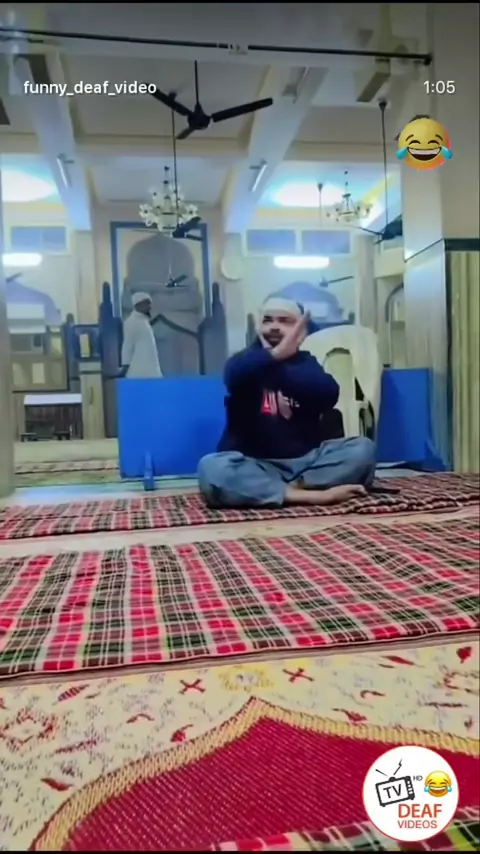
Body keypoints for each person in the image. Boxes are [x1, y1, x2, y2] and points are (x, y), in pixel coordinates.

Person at [198, 297, 376, 508]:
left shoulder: (307, 364)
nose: (274, 326)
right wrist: (275, 355)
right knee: (212, 467)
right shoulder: (243, 361)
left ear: (301, 331)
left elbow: (328, 394)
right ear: (258, 326)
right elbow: (234, 376)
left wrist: (278, 362)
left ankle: (285, 489)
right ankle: (310, 495)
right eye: (268, 320)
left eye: (285, 321)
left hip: (306, 465)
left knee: (362, 449)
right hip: (255, 465)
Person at [120, 292, 162, 378]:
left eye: (149, 303)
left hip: (151, 370)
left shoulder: (144, 321)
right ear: (138, 305)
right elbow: (128, 345)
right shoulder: (131, 322)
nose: (149, 307)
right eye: (146, 303)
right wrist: (125, 365)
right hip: (139, 372)